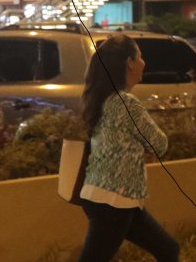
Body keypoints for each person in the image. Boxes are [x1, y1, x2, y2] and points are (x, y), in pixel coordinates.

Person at [77, 35, 179, 262]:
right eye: (140, 56)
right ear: (130, 62)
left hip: (111, 198)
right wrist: (145, 149)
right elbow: (159, 144)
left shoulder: (102, 99)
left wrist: (136, 150)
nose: (144, 62)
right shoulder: (126, 103)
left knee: (168, 249)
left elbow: (117, 143)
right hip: (113, 201)